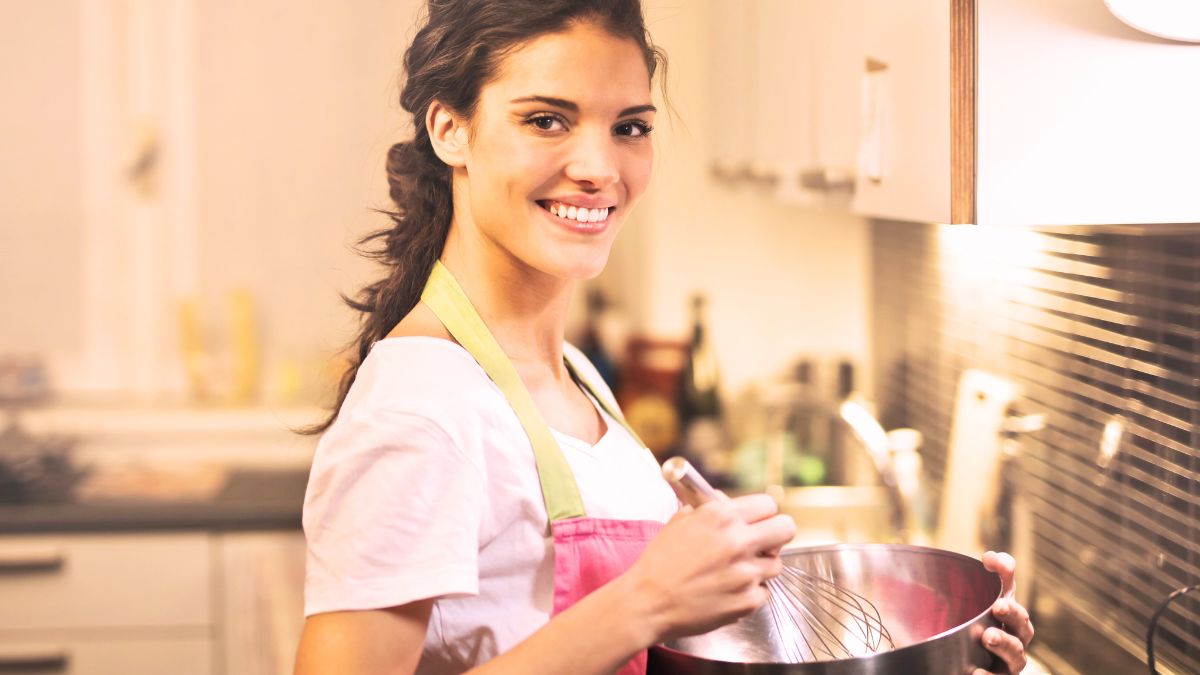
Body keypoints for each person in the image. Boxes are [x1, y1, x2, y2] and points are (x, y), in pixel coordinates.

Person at [293, 2, 1034, 674]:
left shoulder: (572, 375)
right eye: (546, 120)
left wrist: (930, 655)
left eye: (630, 127)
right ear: (449, 129)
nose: (598, 169)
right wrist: (644, 599)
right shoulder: (421, 408)